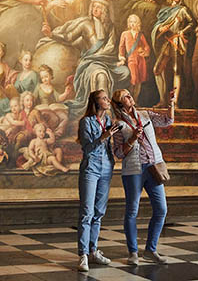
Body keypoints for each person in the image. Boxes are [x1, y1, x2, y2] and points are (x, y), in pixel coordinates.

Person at [111, 88, 175, 266]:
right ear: (119, 104)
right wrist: (131, 140)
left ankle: (150, 250)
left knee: (161, 209)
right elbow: (118, 153)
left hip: (154, 167)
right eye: (124, 96)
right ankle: (133, 252)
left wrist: (171, 103)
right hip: (133, 170)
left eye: (129, 93)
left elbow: (167, 120)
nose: (129, 96)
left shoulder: (145, 114)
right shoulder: (118, 124)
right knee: (132, 211)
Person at [40, 0, 131, 119]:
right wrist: (51, 34)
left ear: (104, 10)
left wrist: (100, 56)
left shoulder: (110, 27)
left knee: (125, 71)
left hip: (106, 60)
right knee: (100, 75)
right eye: (94, 6)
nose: (95, 9)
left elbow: (111, 46)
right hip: (90, 62)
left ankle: (111, 106)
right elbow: (69, 37)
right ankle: (101, 110)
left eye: (99, 7)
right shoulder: (85, 24)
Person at [76, 90, 120, 272]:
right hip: (90, 169)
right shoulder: (86, 122)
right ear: (95, 102)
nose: (107, 100)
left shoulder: (108, 120)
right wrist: (104, 136)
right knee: (87, 212)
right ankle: (83, 255)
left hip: (106, 169)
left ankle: (93, 251)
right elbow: (87, 148)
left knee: (99, 212)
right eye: (103, 98)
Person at [151, 0, 195, 108]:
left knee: (177, 70)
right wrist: (160, 28)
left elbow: (192, 23)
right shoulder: (165, 10)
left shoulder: (183, 10)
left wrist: (182, 31)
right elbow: (158, 24)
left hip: (177, 41)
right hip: (167, 42)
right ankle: (162, 100)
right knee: (157, 70)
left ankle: (174, 102)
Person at [118, 14, 150, 101]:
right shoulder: (125, 34)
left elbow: (147, 47)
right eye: (131, 22)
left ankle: (135, 100)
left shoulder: (140, 35)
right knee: (133, 79)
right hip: (131, 60)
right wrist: (122, 58)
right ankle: (129, 100)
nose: (132, 24)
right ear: (129, 23)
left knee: (139, 81)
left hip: (140, 60)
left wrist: (143, 51)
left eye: (134, 22)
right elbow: (121, 47)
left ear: (138, 24)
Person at [33, 64, 72, 137]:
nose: (44, 79)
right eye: (42, 77)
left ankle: (57, 134)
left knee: (64, 117)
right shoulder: (39, 87)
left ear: (51, 76)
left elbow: (59, 98)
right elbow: (33, 98)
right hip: (43, 109)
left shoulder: (53, 87)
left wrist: (66, 93)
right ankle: (47, 134)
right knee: (53, 118)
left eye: (46, 76)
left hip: (53, 108)